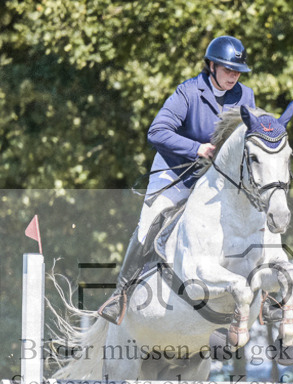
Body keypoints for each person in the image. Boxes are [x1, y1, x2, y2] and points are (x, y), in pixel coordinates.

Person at [98, 35, 256, 325]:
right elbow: (157, 132)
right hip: (176, 171)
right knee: (150, 221)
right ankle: (119, 295)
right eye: (227, 70)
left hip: (215, 179)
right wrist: (198, 148)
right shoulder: (188, 92)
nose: (233, 76)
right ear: (211, 66)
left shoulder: (245, 97)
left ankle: (264, 297)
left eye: (237, 72)